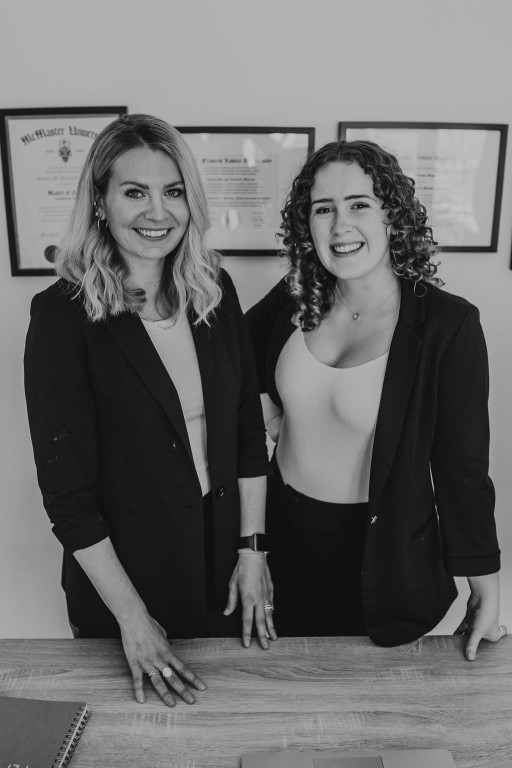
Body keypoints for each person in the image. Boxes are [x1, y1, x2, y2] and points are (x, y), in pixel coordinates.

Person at [24, 114, 276, 708]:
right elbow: (68, 496)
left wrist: (252, 549)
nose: (157, 212)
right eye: (135, 192)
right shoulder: (63, 315)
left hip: (224, 570)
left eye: (174, 192)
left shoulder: (214, 290)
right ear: (100, 202)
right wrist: (133, 619)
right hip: (124, 590)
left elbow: (246, 433)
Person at [245, 139, 506, 658]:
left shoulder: (447, 325)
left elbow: (462, 469)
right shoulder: (293, 298)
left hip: (380, 557)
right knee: (284, 689)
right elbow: (230, 359)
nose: (341, 226)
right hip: (280, 538)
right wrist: (266, 407)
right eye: (324, 209)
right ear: (307, 224)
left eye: (359, 204)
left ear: (393, 217)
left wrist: (486, 588)